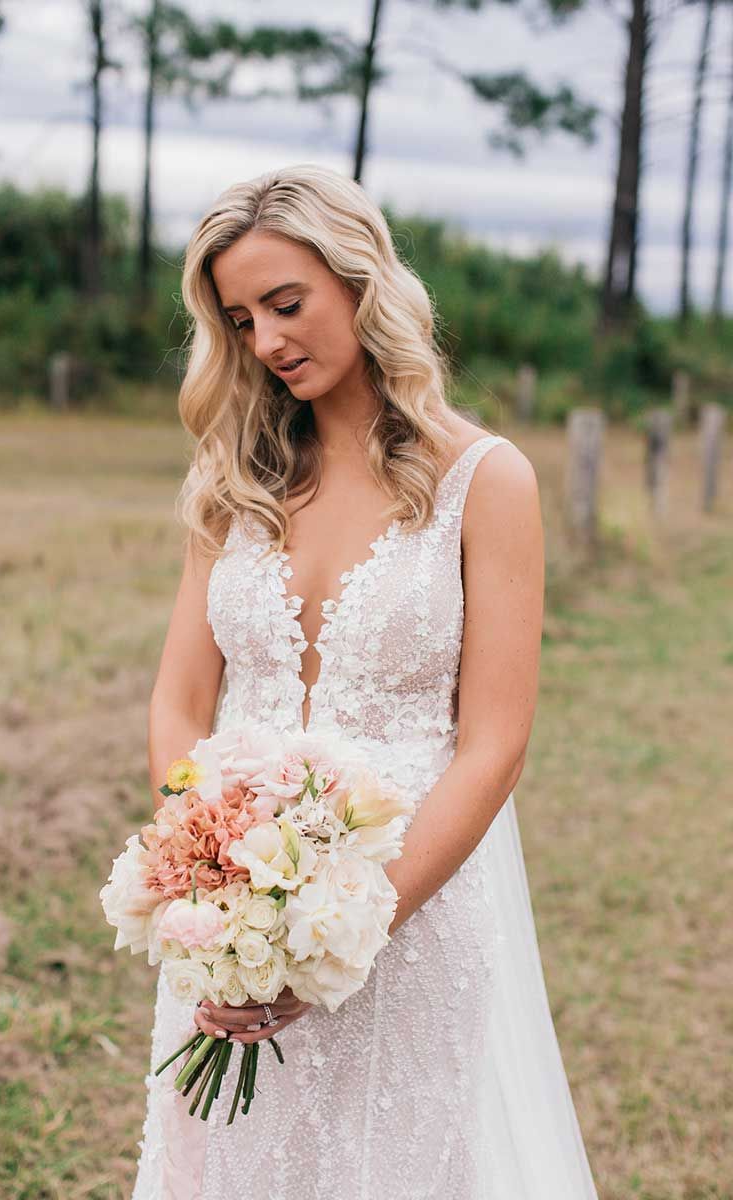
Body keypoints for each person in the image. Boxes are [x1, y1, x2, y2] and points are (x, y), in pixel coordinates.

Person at [132, 163, 599, 1199]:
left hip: (411, 911)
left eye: (286, 304)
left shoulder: (486, 480)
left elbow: (492, 744)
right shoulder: (231, 481)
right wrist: (209, 870)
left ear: (361, 280)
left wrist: (352, 924)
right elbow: (176, 702)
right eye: (239, 318)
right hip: (239, 921)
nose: (265, 341)